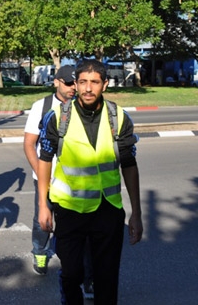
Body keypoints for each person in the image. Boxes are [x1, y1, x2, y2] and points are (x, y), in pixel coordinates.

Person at [37, 59, 143, 304]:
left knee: (106, 279)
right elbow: (45, 159)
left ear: (104, 84)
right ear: (75, 83)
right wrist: (43, 205)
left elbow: (129, 165)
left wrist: (136, 213)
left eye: (94, 82)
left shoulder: (119, 118)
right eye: (82, 82)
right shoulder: (57, 118)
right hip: (69, 211)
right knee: (72, 274)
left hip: (108, 211)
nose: (87, 88)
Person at [23, 65, 77, 275]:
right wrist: (41, 172)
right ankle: (40, 252)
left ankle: (73, 258)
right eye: (68, 83)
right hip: (45, 177)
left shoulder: (81, 106)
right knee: (43, 220)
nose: (73, 88)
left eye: (75, 83)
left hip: (73, 179)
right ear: (56, 82)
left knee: (71, 223)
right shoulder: (42, 106)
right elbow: (29, 144)